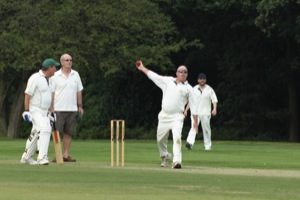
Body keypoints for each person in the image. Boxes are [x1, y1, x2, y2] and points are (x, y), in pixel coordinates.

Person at [135, 61, 198, 169]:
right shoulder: (168, 81)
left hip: (177, 117)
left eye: (185, 72)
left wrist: (195, 122)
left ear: (187, 74)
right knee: (160, 140)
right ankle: (165, 155)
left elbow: (194, 106)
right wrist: (142, 68)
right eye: (181, 71)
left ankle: (177, 161)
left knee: (177, 138)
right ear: (177, 73)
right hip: (164, 116)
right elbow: (154, 76)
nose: (183, 73)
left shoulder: (189, 89)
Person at [20, 58, 60, 165]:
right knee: (45, 129)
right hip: (35, 110)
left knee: (35, 133)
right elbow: (28, 94)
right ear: (50, 68)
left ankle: (26, 157)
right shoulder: (35, 78)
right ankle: (42, 157)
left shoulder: (49, 80)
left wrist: (51, 111)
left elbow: (48, 97)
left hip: (44, 112)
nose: (56, 69)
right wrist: (26, 110)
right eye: (54, 67)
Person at [50, 53, 84, 162]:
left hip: (72, 109)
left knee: (69, 133)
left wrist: (80, 106)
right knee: (57, 133)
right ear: (61, 62)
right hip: (58, 109)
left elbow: (79, 91)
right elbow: (52, 93)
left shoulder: (76, 74)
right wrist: (51, 108)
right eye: (67, 60)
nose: (69, 62)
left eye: (70, 60)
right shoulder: (55, 76)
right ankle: (58, 155)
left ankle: (65, 155)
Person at [184, 73, 218, 151]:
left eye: (203, 79)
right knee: (193, 127)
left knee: (206, 129)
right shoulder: (194, 89)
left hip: (206, 113)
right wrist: (186, 110)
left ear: (205, 80)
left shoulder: (209, 89)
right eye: (200, 79)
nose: (202, 80)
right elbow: (190, 102)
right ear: (198, 80)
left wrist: (214, 109)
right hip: (195, 113)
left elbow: (214, 100)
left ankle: (207, 146)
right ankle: (189, 143)